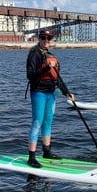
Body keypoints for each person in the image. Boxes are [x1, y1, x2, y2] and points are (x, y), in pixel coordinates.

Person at [25, 29, 75, 168]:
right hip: (39, 92)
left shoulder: (51, 55)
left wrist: (67, 93)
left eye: (49, 38)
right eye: (43, 38)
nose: (46, 40)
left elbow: (57, 78)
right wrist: (46, 67)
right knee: (37, 122)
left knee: (48, 123)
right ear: (39, 38)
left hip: (51, 93)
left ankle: (46, 152)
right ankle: (32, 157)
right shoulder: (34, 54)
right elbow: (30, 75)